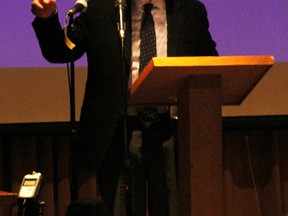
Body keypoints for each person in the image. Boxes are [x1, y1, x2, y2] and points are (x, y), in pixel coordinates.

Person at [30, 0, 218, 215]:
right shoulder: (102, 10)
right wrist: (47, 18)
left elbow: (209, 62)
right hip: (118, 132)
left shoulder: (191, 11)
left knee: (172, 208)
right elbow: (61, 50)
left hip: (171, 130)